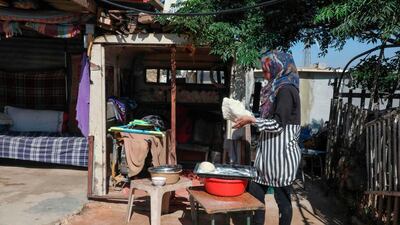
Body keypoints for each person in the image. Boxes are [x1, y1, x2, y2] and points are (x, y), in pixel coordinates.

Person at [233, 50, 301, 225]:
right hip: (266, 159)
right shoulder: (274, 89)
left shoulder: (286, 90)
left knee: (283, 203)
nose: (264, 73)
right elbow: (266, 119)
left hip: (282, 160)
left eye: (266, 69)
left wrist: (253, 120)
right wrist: (250, 117)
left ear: (278, 66)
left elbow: (278, 124)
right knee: (256, 197)